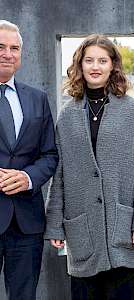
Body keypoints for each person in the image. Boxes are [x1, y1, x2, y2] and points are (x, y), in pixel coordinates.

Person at [44, 34, 134, 300]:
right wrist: (55, 224)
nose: (95, 66)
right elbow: (59, 174)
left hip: (123, 225)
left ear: (112, 66)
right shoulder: (68, 114)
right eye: (89, 60)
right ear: (80, 66)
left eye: (102, 61)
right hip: (82, 227)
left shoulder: (132, 109)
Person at [0, 20, 58, 300]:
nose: (7, 54)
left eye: (14, 48)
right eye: (0, 47)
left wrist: (27, 177)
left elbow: (49, 154)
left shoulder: (37, 99)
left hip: (26, 222)